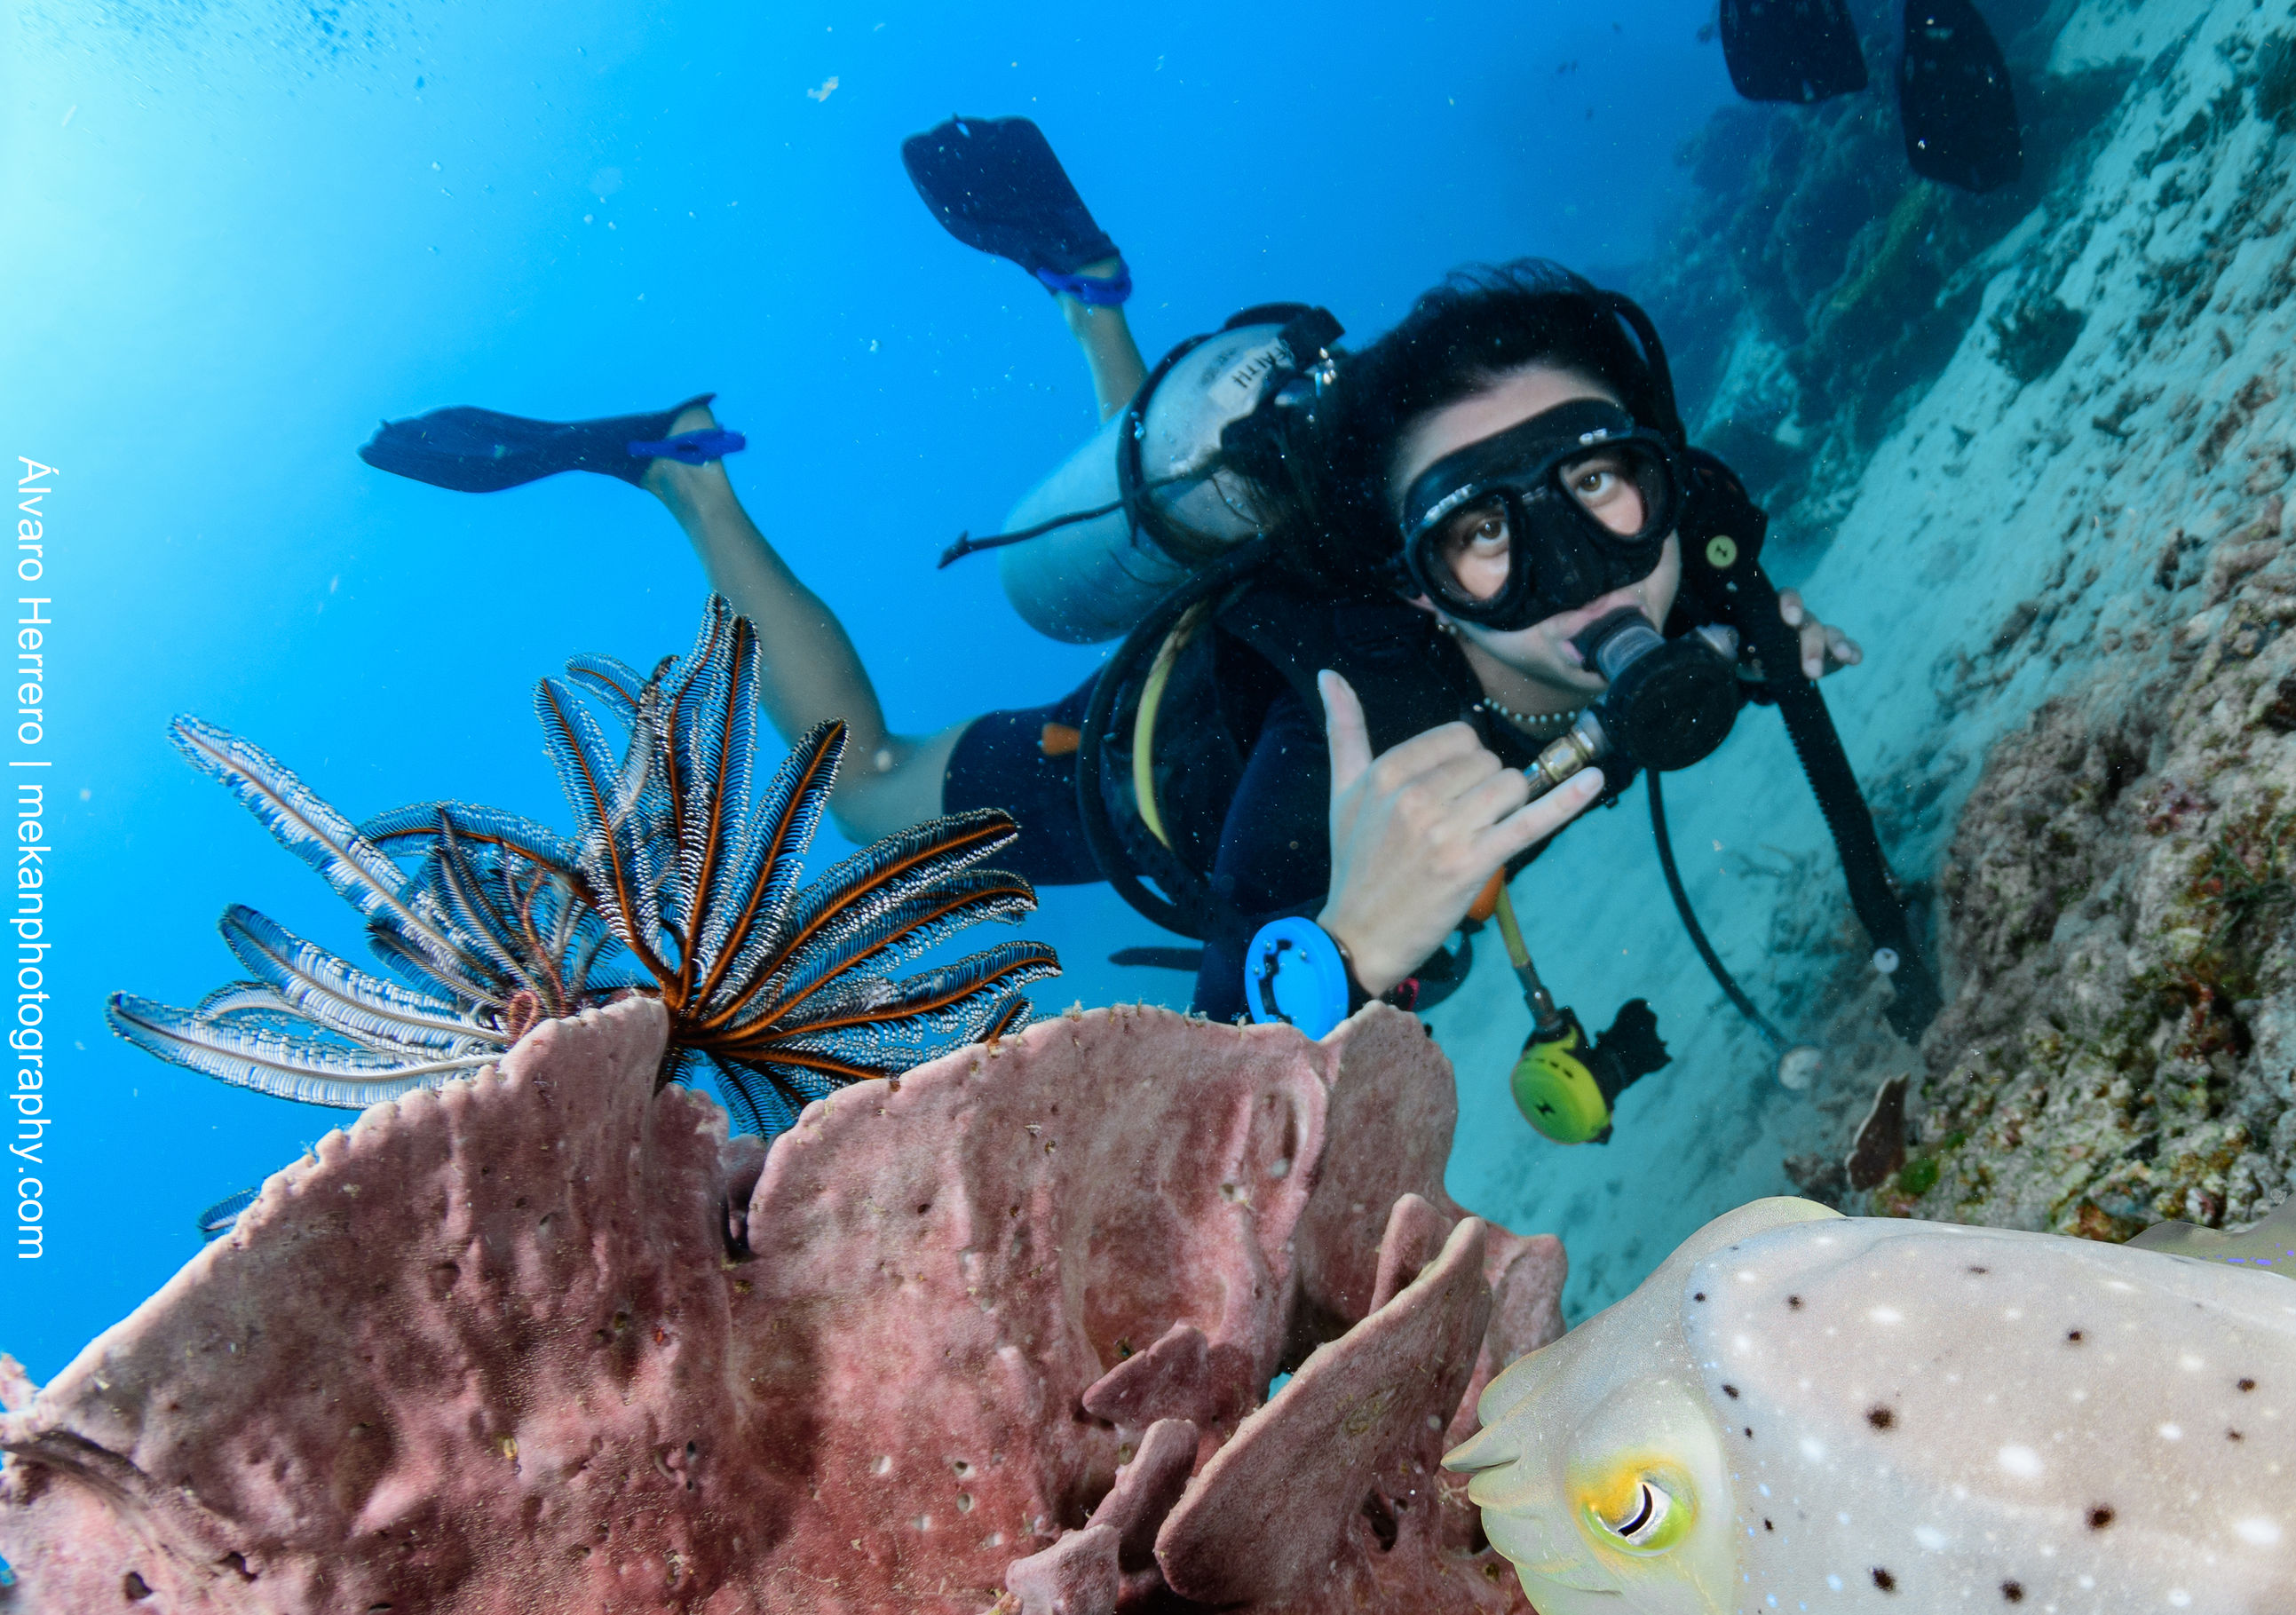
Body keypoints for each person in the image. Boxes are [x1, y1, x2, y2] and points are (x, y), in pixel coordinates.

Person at [354, 119, 1862, 1029]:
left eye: (1600, 479)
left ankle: (1099, 318)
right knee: (867, 782)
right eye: (1482, 531)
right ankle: (689, 476)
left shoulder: (1687, 542)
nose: (1586, 574)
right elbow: (1230, 1067)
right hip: (1127, 763)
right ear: (1415, 582)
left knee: (1221, 549)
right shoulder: (1337, 760)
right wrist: (1343, 944)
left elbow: (1689, 549)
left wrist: (1752, 602)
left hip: (1259, 599)